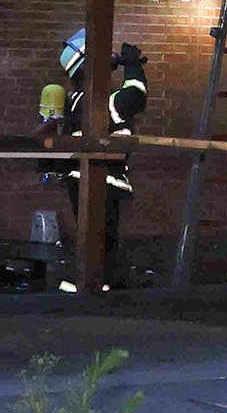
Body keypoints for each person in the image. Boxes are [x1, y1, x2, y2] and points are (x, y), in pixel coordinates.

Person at [38, 29, 147, 289]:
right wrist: (132, 66)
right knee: (102, 237)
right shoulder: (98, 101)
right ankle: (90, 288)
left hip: (83, 176)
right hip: (101, 176)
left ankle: (94, 285)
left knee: (96, 236)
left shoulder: (75, 100)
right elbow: (135, 97)